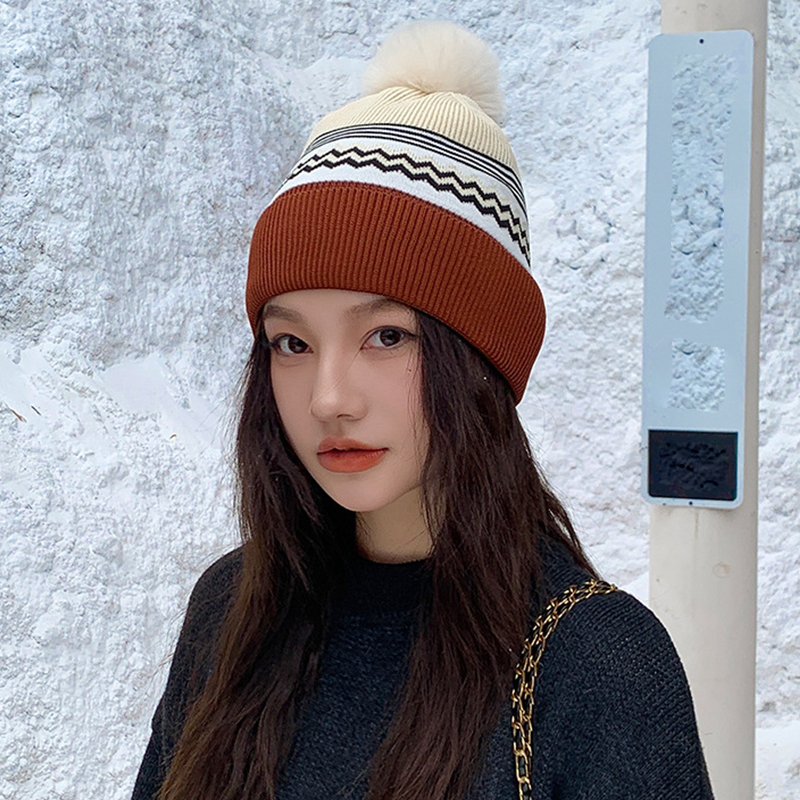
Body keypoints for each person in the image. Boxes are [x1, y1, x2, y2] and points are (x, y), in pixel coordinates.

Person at [131, 20, 714, 800]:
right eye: (292, 343)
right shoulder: (230, 612)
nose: (329, 399)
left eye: (386, 336)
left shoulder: (596, 664)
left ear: (479, 360)